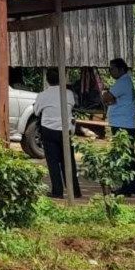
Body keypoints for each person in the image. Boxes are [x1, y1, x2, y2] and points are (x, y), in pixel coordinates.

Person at [34, 69, 82, 199]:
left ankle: (57, 191)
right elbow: (73, 106)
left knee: (53, 162)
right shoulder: (69, 94)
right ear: (62, 79)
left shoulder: (42, 95)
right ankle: (74, 191)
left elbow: (36, 111)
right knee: (68, 160)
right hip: (66, 130)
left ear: (47, 80)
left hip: (48, 129)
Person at [102, 58, 135, 195]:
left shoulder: (122, 82)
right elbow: (110, 99)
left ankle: (127, 187)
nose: (110, 72)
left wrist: (108, 97)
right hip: (125, 123)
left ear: (120, 69)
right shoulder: (125, 82)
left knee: (124, 156)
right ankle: (134, 186)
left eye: (112, 69)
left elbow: (106, 98)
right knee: (129, 156)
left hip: (122, 125)